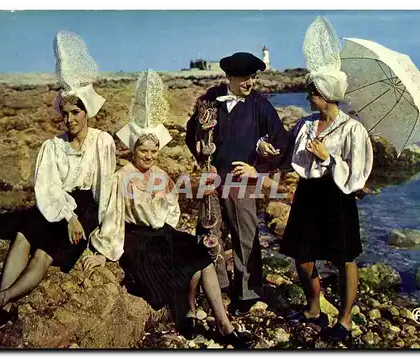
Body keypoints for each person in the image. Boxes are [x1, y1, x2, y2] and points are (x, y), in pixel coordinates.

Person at [82, 70, 255, 349]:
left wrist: (166, 219)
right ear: (132, 151)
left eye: (153, 152)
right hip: (137, 238)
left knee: (200, 254)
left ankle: (223, 324)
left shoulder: (161, 175)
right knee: (181, 261)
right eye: (143, 152)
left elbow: (172, 211)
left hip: (163, 231)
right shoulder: (122, 176)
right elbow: (112, 216)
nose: (148, 157)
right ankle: (188, 311)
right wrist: (104, 251)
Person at [0, 31, 116, 337]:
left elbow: (106, 191)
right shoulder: (53, 146)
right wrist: (68, 215)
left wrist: (101, 237)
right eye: (65, 113)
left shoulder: (102, 142)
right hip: (59, 206)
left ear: (86, 112)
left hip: (86, 207)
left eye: (76, 112)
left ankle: (1, 300)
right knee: (24, 235)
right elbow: (47, 188)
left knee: (44, 253)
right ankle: (3, 309)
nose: (70, 119)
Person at [266, 17, 374, 341]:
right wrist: (270, 153)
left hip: (338, 196)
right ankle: (314, 307)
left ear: (326, 94)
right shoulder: (305, 125)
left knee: (344, 258)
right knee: (302, 254)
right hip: (308, 193)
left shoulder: (353, 129)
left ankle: (345, 319)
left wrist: (329, 158)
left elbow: (359, 173)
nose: (307, 98)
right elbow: (288, 157)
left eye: (312, 93)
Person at [185, 52, 287, 316]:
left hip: (241, 183)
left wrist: (258, 169)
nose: (250, 83)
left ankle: (248, 294)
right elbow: (191, 131)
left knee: (246, 237)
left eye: (253, 77)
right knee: (209, 235)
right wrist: (198, 147)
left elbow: (282, 142)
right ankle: (216, 287)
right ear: (229, 77)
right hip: (213, 182)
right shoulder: (210, 100)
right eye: (244, 78)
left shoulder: (260, 106)